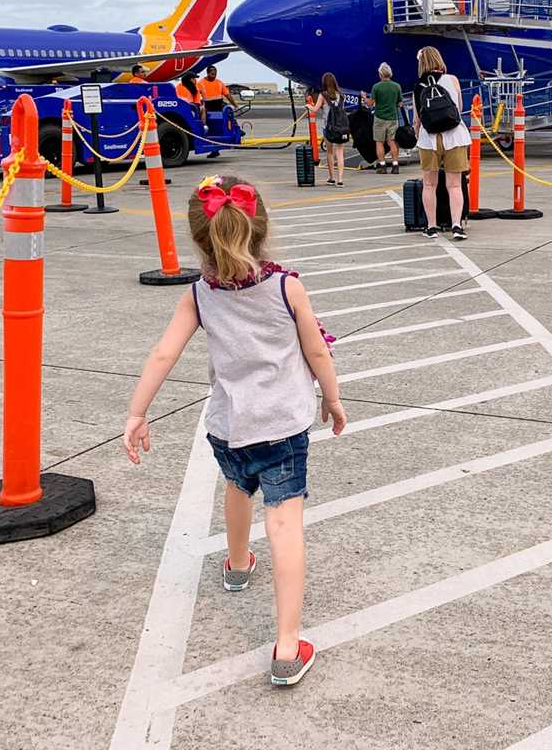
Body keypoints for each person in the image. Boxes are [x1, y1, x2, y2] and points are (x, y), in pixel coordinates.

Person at [122, 174, 345, 688]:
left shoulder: (200, 295)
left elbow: (164, 352)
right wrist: (332, 399)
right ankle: (288, 647)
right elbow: (316, 351)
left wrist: (137, 412)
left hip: (228, 425)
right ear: (260, 230)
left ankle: (239, 563)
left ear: (200, 239)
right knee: (286, 525)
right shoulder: (287, 287)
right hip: (283, 427)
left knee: (236, 486)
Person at [412, 46, 469, 240]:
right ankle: (456, 226)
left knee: (429, 185)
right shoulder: (452, 80)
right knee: (454, 185)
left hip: (429, 139)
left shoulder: (418, 86)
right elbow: (459, 108)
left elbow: (417, 119)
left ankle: (432, 227)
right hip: (455, 136)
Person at [361, 62, 401, 174]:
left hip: (379, 118)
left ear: (380, 74)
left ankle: (382, 166)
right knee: (392, 142)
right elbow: (400, 103)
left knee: (379, 142)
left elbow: (370, 103)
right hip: (393, 118)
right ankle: (395, 165)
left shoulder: (376, 87)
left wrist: (364, 97)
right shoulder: (397, 86)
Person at [316, 72, 348, 187]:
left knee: (330, 152)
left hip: (328, 127)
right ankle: (340, 179)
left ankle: (331, 177)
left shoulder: (322, 95)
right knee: (340, 152)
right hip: (340, 128)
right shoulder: (341, 95)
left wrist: (309, 106)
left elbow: (315, 109)